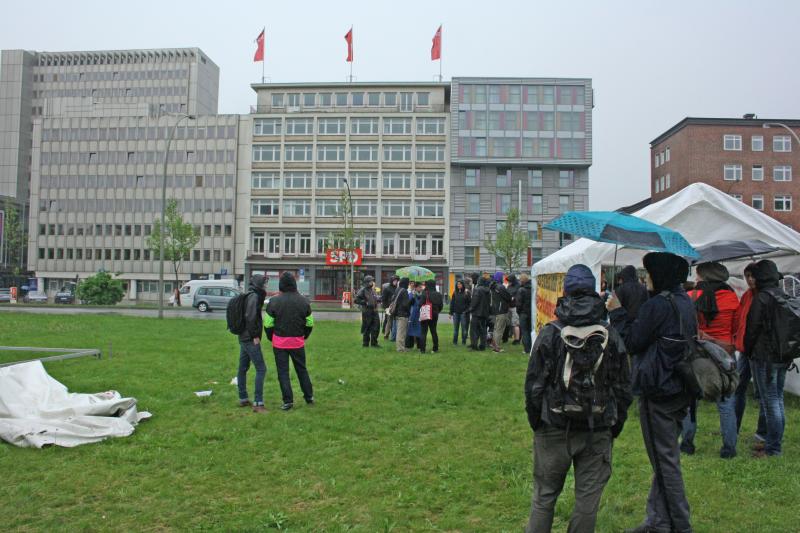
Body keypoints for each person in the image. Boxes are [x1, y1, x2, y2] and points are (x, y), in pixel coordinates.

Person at [524, 264, 632, 533]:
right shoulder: (612, 336)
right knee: (587, 503)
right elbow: (623, 387)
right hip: (596, 428)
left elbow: (534, 385)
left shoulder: (550, 333)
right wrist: (613, 424)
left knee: (544, 498)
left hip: (555, 427)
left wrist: (538, 421)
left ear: (565, 291)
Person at [608, 252, 696, 533]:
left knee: (665, 463)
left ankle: (680, 525)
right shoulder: (684, 302)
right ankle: (658, 521)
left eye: (649, 273)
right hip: (681, 387)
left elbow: (632, 341)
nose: (646, 278)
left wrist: (616, 312)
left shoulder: (658, 305)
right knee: (665, 458)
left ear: (661, 276)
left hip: (659, 391)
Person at [679, 262, 740, 458]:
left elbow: (685, 325)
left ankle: (687, 444)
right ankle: (729, 448)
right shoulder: (732, 298)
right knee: (726, 400)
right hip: (724, 353)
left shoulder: (691, 297)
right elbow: (736, 327)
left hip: (698, 354)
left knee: (691, 400)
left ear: (705, 277)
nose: (696, 279)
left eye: (698, 276)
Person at [744, 259, 790, 458]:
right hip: (782, 355)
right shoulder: (784, 296)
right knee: (777, 398)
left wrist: (747, 350)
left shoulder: (762, 298)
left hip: (764, 356)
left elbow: (752, 329)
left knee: (770, 400)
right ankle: (773, 442)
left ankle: (773, 448)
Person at [264, 272, 314, 411]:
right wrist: (304, 335)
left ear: (281, 285)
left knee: (283, 372)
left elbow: (268, 324)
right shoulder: (304, 301)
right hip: (297, 341)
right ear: (294, 284)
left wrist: (271, 337)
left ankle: (288, 401)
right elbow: (309, 323)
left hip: (279, 342)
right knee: (301, 369)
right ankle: (309, 396)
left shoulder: (274, 301)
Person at [732, 263, 767, 445]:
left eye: (753, 276)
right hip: (744, 349)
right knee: (738, 388)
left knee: (763, 393)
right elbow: (739, 319)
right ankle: (733, 427)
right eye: (747, 276)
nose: (750, 279)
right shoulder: (747, 296)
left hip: (758, 351)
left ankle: (762, 433)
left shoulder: (764, 296)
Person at [237, 274, 269, 413]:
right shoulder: (254, 297)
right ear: (259, 284)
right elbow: (250, 317)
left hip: (243, 337)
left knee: (243, 368)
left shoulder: (249, 294)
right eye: (264, 283)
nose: (266, 285)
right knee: (261, 369)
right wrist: (255, 335)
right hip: (250, 338)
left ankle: (243, 398)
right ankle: (258, 403)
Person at [355, 275, 380, 348]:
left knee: (376, 327)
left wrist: (378, 300)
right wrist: (365, 302)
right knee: (367, 327)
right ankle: (365, 343)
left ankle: (374, 343)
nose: (372, 282)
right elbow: (356, 300)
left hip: (375, 311)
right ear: (367, 282)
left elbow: (374, 298)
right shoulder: (362, 290)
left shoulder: (373, 290)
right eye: (371, 281)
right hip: (367, 312)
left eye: (372, 281)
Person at [490, 271, 512, 353]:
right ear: (499, 277)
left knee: (496, 328)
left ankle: (494, 344)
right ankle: (496, 348)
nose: (504, 278)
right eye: (503, 276)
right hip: (501, 310)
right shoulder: (500, 287)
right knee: (499, 329)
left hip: (496, 309)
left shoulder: (493, 286)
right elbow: (508, 297)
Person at [419, 279, 444, 353]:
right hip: (434, 314)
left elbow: (420, 304)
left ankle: (422, 349)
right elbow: (441, 306)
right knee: (434, 331)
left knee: (423, 332)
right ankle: (435, 348)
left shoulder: (424, 293)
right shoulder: (438, 294)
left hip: (425, 314)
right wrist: (437, 311)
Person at [469, 276, 492, 351]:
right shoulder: (488, 290)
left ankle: (474, 346)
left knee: (474, 330)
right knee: (483, 331)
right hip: (484, 313)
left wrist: (470, 309)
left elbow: (475, 301)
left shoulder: (477, 290)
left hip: (476, 313)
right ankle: (482, 346)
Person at [392, 277, 411, 352]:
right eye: (408, 283)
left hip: (397, 313)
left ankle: (401, 347)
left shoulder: (397, 289)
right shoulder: (404, 291)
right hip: (403, 314)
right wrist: (410, 302)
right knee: (401, 332)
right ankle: (400, 348)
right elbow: (405, 304)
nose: (408, 284)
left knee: (399, 331)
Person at [450, 279, 471, 345]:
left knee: (464, 329)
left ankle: (463, 342)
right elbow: (452, 303)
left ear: (462, 285)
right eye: (457, 284)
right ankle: (454, 342)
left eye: (460, 284)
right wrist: (450, 313)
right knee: (456, 329)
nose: (458, 285)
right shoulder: (454, 293)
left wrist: (466, 311)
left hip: (463, 313)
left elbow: (469, 303)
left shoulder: (466, 292)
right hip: (456, 313)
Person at [517, 273, 533, 354]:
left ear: (522, 281)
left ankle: (527, 349)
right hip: (531, 312)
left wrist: (518, 312)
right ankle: (531, 347)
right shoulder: (533, 288)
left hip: (523, 313)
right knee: (530, 330)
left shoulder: (521, 290)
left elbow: (519, 303)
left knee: (524, 331)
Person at [406, 282, 423, 350]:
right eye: (419, 287)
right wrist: (412, 298)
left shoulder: (422, 295)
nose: (420, 288)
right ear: (416, 288)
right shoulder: (411, 294)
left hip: (420, 314)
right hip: (413, 314)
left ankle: (419, 345)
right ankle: (409, 345)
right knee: (411, 329)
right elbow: (408, 303)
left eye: (421, 287)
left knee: (419, 330)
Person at [507, 274, 522, 345]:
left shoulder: (518, 286)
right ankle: (514, 337)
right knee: (512, 324)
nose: (508, 282)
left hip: (515, 307)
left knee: (515, 323)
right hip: (509, 306)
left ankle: (517, 339)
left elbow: (518, 297)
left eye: (509, 281)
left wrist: (513, 297)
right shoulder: (509, 286)